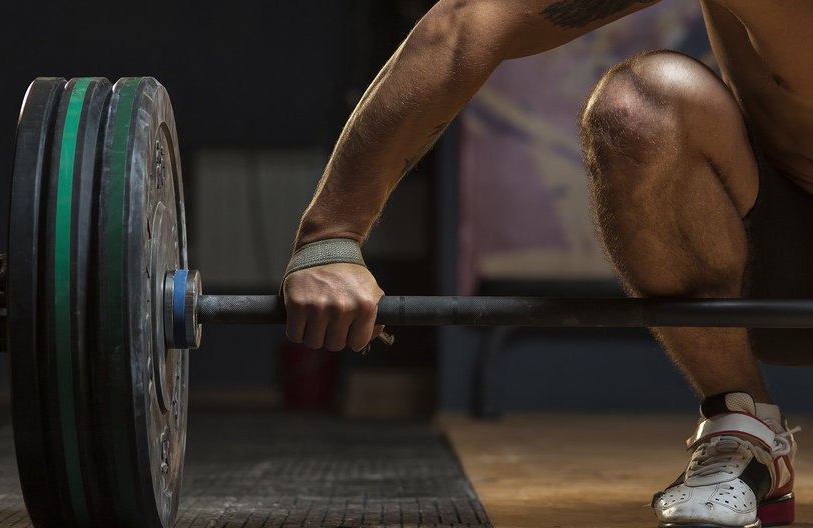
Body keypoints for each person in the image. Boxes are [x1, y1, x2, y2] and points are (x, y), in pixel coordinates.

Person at [281, 1, 808, 527]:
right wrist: (332, 237)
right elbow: (468, 22)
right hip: (768, 263)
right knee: (640, 102)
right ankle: (744, 425)